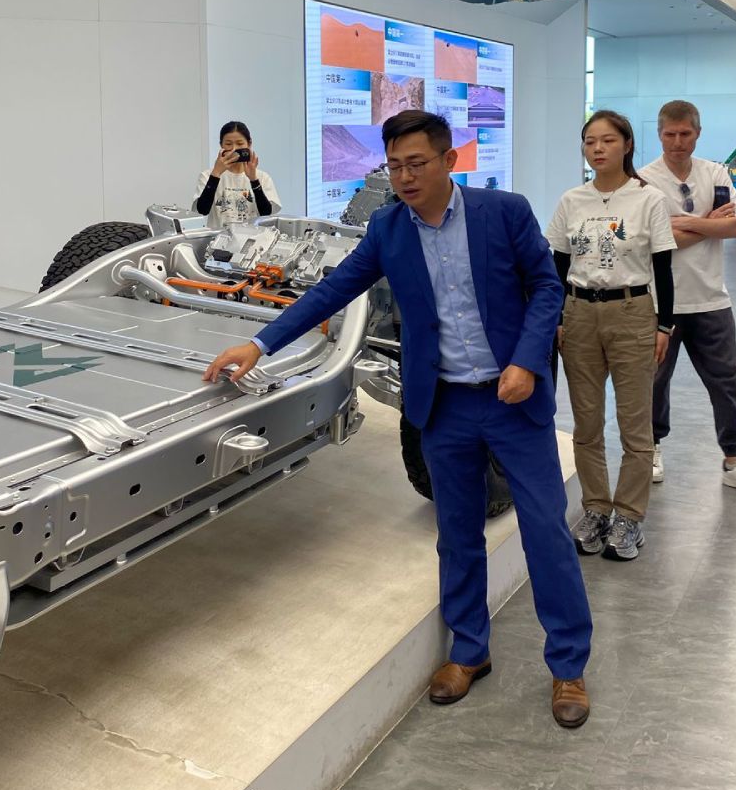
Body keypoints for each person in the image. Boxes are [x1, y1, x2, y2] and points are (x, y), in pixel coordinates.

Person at [204, 110, 593, 729]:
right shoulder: (388, 228)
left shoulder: (504, 212)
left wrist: (526, 360)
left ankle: (568, 666)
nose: (405, 177)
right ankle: (469, 651)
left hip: (512, 401)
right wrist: (259, 344)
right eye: (395, 166)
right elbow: (331, 291)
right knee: (457, 533)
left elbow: (547, 288)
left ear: (449, 161)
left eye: (416, 164)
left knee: (545, 530)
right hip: (443, 406)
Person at [547, 111, 675, 562]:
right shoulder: (572, 200)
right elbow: (558, 266)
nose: (597, 149)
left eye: (607, 140)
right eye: (589, 141)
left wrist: (663, 325)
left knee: (635, 424)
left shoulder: (648, 199)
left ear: (627, 145)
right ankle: (597, 509)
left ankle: (630, 517)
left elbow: (663, 267)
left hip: (632, 312)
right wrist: (557, 318)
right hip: (579, 314)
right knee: (586, 422)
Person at [640, 100, 736, 497]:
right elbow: (652, 243)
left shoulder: (715, 173)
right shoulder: (644, 181)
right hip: (659, 302)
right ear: (659, 134)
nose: (677, 142)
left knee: (726, 380)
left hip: (711, 299)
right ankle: (650, 448)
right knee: (653, 381)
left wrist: (683, 224)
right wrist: (707, 224)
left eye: (685, 134)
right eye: (670, 134)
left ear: (697, 133)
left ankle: (735, 459)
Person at [194, 121, 281, 230]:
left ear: (249, 144)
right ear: (221, 145)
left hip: (253, 237)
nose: (234, 149)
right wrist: (216, 174)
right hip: (220, 238)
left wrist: (254, 180)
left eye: (240, 143)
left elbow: (266, 213)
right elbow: (202, 210)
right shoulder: (207, 176)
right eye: (228, 144)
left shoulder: (262, 177)